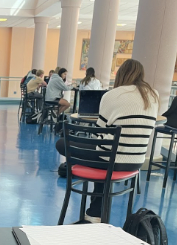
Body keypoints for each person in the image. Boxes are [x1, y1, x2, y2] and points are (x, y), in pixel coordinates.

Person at [55, 59, 159, 222]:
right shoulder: (153, 95)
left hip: (111, 159)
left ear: (121, 75)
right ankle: (94, 212)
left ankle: (94, 213)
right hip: (136, 160)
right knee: (105, 153)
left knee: (63, 143)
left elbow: (99, 131)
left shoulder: (112, 95)